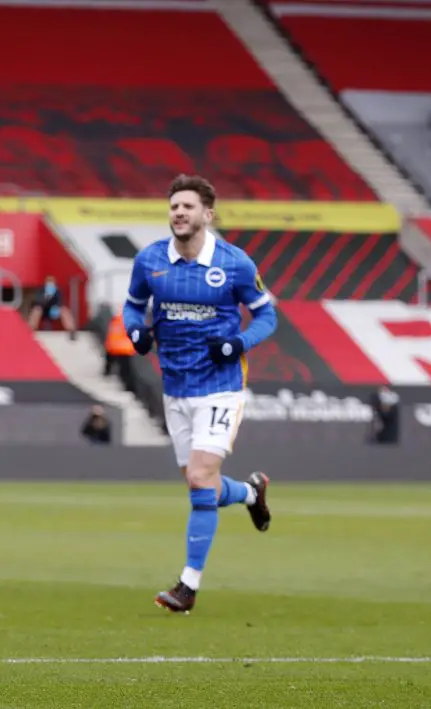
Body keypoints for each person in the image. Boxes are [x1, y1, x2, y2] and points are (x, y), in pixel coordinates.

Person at [122, 174, 277, 614]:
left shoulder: (234, 263)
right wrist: (135, 330)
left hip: (221, 387)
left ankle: (187, 587)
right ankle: (250, 493)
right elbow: (133, 305)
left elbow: (267, 316)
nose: (179, 213)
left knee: (198, 478)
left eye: (187, 207)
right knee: (200, 486)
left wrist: (239, 343)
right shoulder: (151, 260)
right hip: (175, 388)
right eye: (174, 206)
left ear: (207, 214)